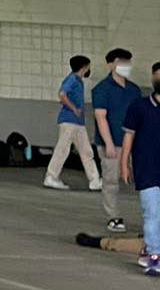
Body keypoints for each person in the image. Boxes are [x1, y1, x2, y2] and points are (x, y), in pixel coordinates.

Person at [121, 63, 160, 277]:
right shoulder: (139, 106)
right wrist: (125, 163)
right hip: (147, 169)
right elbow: (129, 136)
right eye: (157, 76)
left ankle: (147, 249)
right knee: (152, 213)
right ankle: (154, 257)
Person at [91, 48, 139, 233]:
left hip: (133, 142)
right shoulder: (102, 89)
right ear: (111, 64)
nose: (125, 67)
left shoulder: (134, 90)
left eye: (128, 63)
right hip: (112, 143)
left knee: (144, 179)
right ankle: (113, 216)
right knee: (111, 180)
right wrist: (109, 143)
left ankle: (153, 217)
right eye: (121, 62)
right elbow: (101, 117)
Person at [45, 54, 102, 193]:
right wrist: (74, 108)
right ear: (84, 67)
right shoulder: (72, 79)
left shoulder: (78, 80)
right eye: (88, 66)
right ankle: (51, 176)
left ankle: (94, 180)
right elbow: (62, 94)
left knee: (86, 151)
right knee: (63, 149)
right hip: (69, 121)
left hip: (78, 123)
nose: (89, 68)